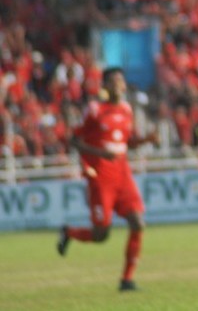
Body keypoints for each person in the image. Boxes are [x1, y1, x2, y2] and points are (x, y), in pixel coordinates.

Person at [57, 67, 158, 292]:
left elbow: (127, 142)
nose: (118, 85)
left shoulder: (126, 110)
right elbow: (74, 140)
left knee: (138, 223)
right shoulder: (94, 110)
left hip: (123, 175)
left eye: (121, 81)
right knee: (101, 234)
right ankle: (69, 232)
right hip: (101, 177)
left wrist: (147, 140)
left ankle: (127, 280)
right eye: (113, 81)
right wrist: (101, 155)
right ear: (104, 86)